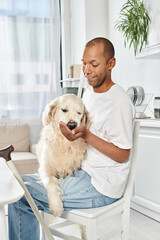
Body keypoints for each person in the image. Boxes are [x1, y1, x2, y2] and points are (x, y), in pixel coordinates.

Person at [8, 37, 135, 240]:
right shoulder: (88, 95)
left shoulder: (118, 102)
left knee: (23, 195)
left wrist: (85, 134)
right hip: (81, 173)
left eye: (94, 64)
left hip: (101, 185)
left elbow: (122, 154)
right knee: (16, 184)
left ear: (111, 64)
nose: (86, 70)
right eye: (84, 63)